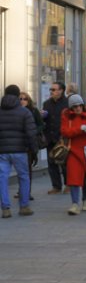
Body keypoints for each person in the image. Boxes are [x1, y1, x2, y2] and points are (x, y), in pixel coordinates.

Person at [0, 85, 37, 218]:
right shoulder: (24, 112)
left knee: (2, 178)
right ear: (17, 96)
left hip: (2, 151)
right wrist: (34, 150)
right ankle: (24, 206)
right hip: (20, 150)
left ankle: (5, 209)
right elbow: (31, 134)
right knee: (24, 177)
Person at [60, 94, 86, 215]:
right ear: (71, 108)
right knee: (73, 178)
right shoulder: (67, 116)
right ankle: (74, 204)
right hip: (73, 151)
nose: (77, 108)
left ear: (83, 105)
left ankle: (85, 200)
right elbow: (65, 132)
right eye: (74, 106)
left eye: (79, 105)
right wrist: (80, 129)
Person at [42, 81, 69, 194]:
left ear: (61, 91)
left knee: (64, 163)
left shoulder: (68, 103)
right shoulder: (46, 103)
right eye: (51, 89)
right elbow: (44, 120)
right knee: (51, 162)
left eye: (54, 89)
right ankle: (56, 186)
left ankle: (68, 184)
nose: (51, 91)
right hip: (50, 137)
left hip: (63, 137)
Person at [18, 91, 44, 201]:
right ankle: (21, 191)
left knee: (27, 169)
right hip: (17, 143)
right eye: (20, 99)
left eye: (25, 99)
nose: (22, 101)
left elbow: (41, 125)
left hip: (29, 143)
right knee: (20, 169)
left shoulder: (33, 111)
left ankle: (27, 192)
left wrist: (33, 131)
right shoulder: (15, 112)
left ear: (28, 101)